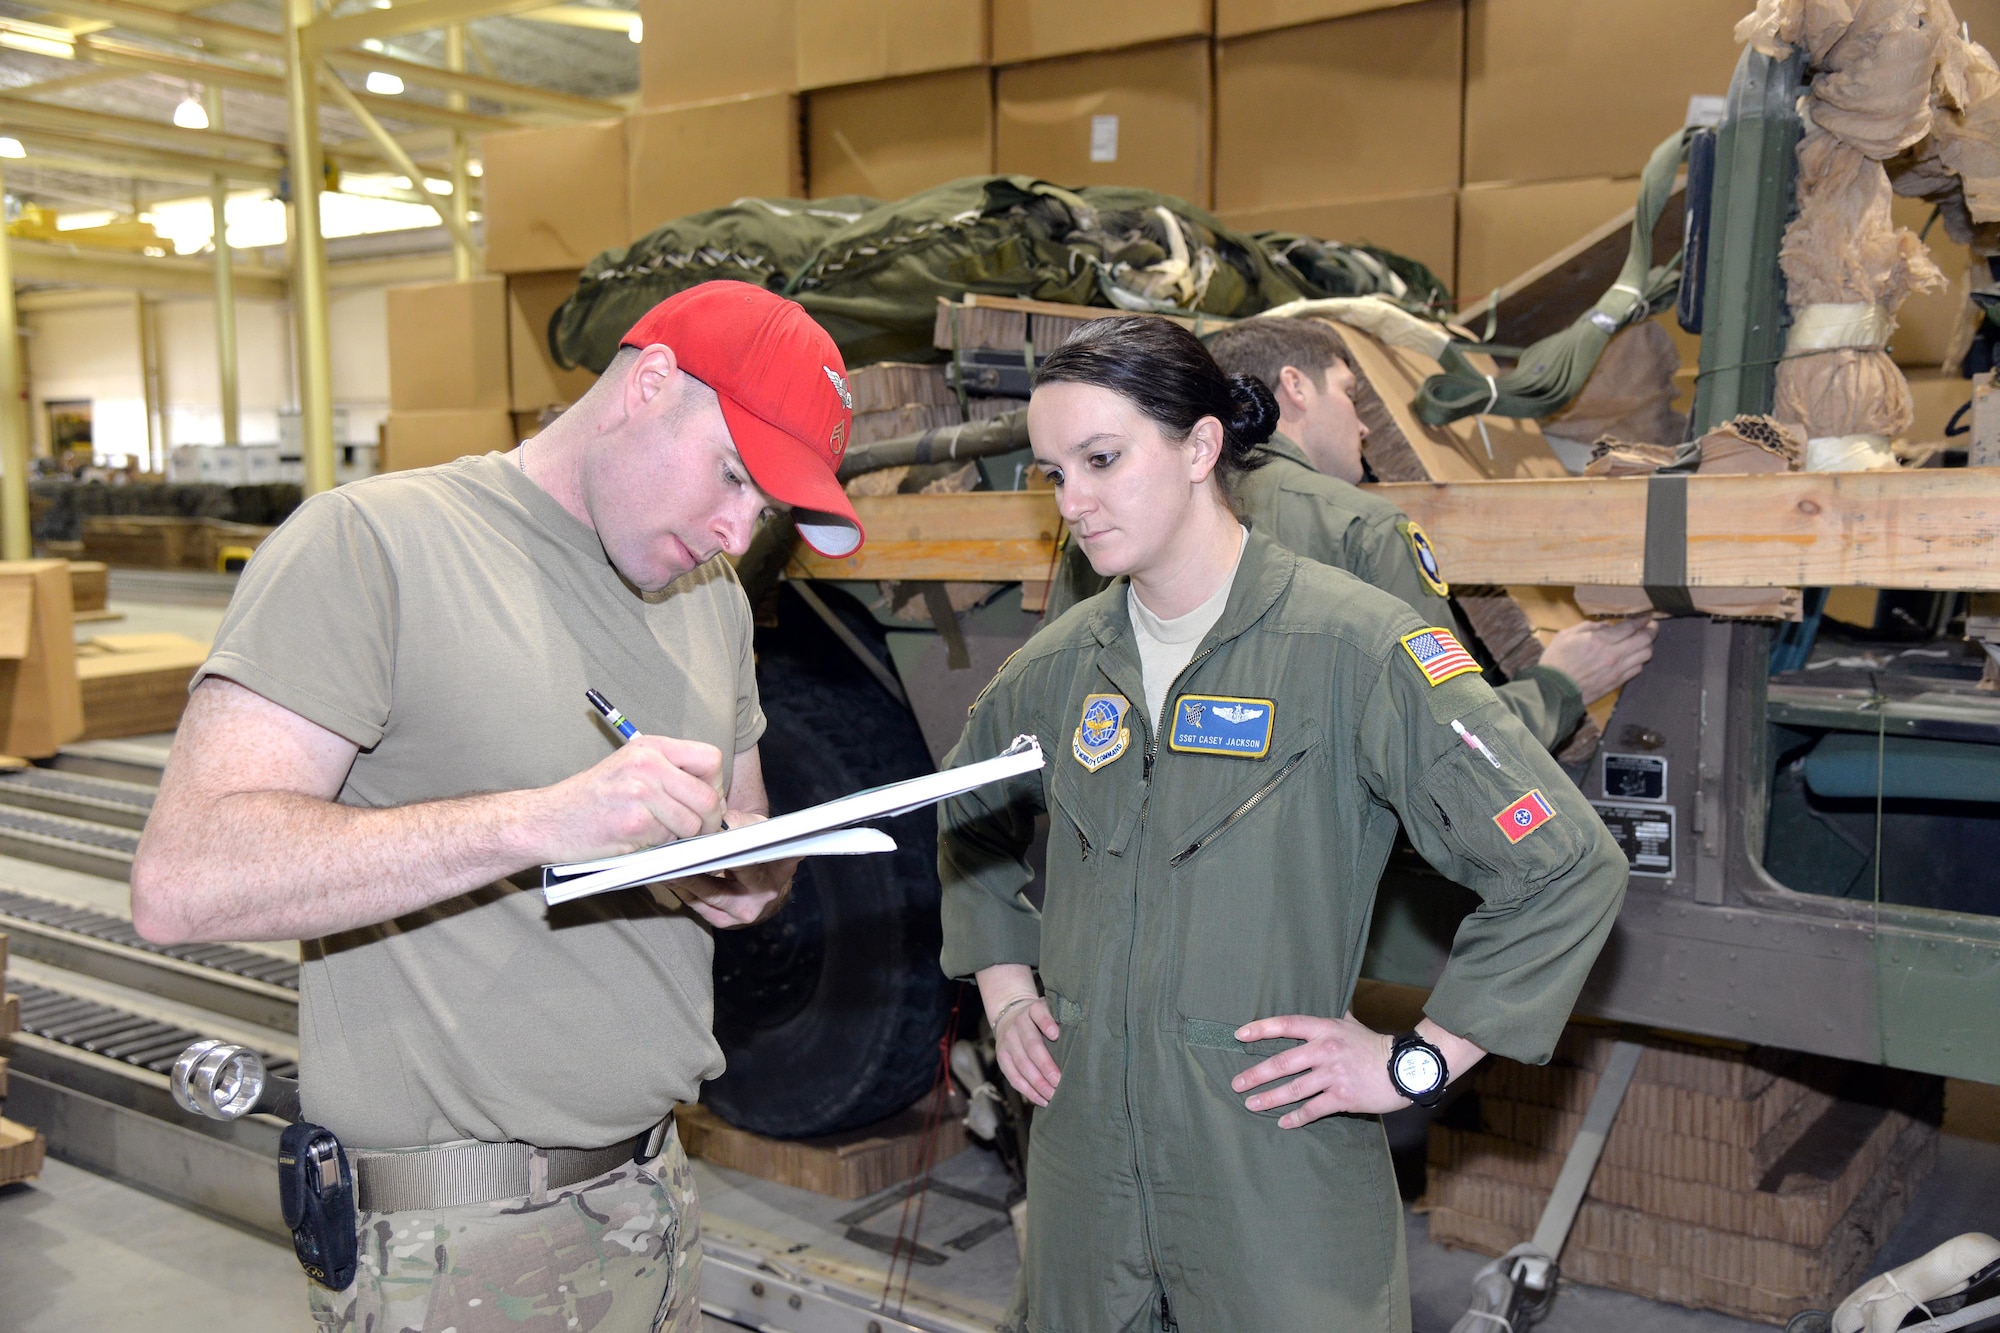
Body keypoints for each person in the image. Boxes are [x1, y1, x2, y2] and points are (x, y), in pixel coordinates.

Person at [129, 281, 865, 1332]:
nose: (734, 531)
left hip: (652, 1193)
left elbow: (743, 834)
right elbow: (183, 880)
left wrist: (747, 876)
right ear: (648, 384)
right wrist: (533, 822)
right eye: (733, 476)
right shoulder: (372, 546)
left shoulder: (710, 599)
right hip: (456, 1244)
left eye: (767, 512)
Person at [939, 316, 1628, 1332]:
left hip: (1269, 1168)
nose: (1071, 503)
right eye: (1051, 474)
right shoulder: (1054, 668)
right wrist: (1003, 993)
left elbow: (1564, 867)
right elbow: (961, 815)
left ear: (1200, 446)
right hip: (1085, 1174)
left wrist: (1416, 1060)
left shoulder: (1353, 647)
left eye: (1099, 459)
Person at [1044, 313, 1657, 752]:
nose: (1365, 426)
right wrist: (1560, 685)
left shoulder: (1106, 531)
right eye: (1351, 393)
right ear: (1295, 387)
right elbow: (1440, 736)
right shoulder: (1361, 527)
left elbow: (1059, 714)